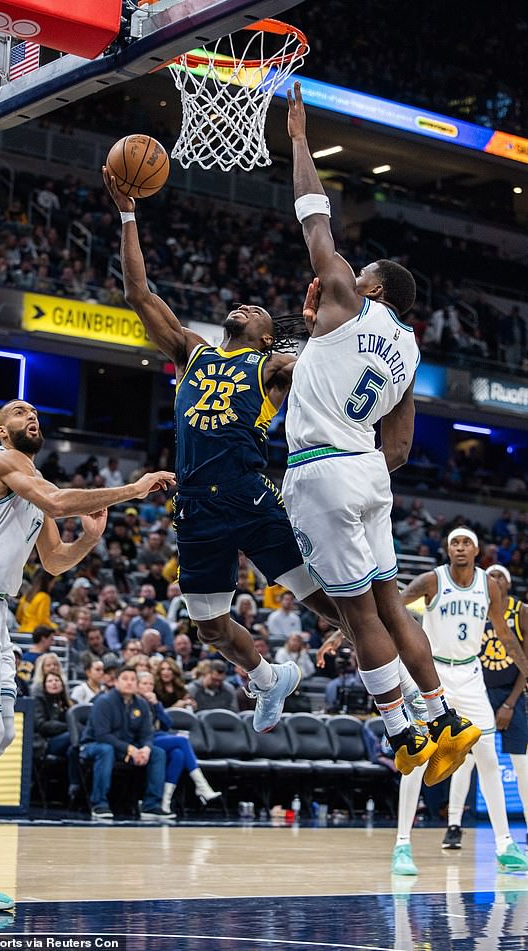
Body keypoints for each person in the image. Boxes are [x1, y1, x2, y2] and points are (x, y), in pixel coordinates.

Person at [0, 397, 174, 908]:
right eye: (21, 413)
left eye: (36, 414)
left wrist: (89, 540)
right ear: (3, 432)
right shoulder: (2, 464)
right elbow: (57, 502)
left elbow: (54, 561)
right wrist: (135, 488)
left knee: (1, 730)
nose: (32, 418)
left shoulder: (34, 488)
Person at [106, 170, 351, 735]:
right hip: (196, 503)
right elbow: (137, 294)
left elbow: (325, 360)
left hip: (247, 491)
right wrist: (127, 213)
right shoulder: (192, 352)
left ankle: (388, 664)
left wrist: (316, 329)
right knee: (209, 626)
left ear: (267, 336)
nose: (245, 305)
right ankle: (269, 679)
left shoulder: (272, 366)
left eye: (256, 308)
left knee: (315, 597)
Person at [282, 82, 481, 776]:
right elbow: (398, 447)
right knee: (392, 606)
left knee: (355, 615)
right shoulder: (412, 351)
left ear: (373, 288)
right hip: (370, 473)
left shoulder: (343, 296)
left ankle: (402, 733)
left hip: (323, 468)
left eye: (359, 274)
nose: (349, 273)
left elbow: (314, 218)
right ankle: (445, 717)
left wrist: (301, 139)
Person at [391, 529, 528, 876]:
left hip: (470, 676)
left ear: (477, 550)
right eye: (455, 542)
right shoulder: (431, 580)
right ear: (447, 549)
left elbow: (506, 636)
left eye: (466, 542)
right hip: (432, 674)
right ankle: (402, 845)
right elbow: (390, 609)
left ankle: (505, 845)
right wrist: (340, 631)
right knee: (418, 757)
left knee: (488, 760)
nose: (460, 547)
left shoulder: (489, 585)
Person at [442, 563, 528, 850]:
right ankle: (454, 826)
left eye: (499, 576)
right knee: (464, 763)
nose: (494, 580)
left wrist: (510, 703)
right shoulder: (472, 607)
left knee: (522, 765)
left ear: (507, 584)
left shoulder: (520, 611)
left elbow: (525, 662)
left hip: (512, 696)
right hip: (476, 692)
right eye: (490, 576)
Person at [80, 665, 174, 820]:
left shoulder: (142, 704)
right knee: (106, 749)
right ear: (116, 682)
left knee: (158, 753)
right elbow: (102, 735)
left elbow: (147, 734)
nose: (129, 683)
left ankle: (151, 805)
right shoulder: (104, 701)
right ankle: (99, 803)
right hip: (93, 745)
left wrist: (145, 749)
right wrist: (130, 749)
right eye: (125, 679)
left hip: (126, 748)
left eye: (133, 680)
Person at [136, 671, 220, 813]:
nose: (148, 687)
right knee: (182, 740)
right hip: (141, 742)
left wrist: (157, 704)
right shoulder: (134, 702)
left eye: (151, 684)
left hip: (155, 737)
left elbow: (167, 724)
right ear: (137, 686)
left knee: (178, 754)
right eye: (144, 684)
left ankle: (165, 802)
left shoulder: (153, 702)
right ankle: (202, 786)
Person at [33, 670, 79, 799]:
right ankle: (75, 785)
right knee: (74, 737)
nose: (54, 683)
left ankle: (74, 787)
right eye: (50, 681)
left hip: (67, 742)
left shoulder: (70, 702)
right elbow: (42, 726)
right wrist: (69, 728)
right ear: (44, 685)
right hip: (45, 743)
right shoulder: (39, 700)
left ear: (62, 684)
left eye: (57, 680)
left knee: (73, 749)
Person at [16, 568, 57, 632]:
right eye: (53, 582)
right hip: (35, 634)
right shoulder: (44, 597)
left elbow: (19, 617)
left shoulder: (26, 596)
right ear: (48, 582)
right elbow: (43, 620)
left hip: (21, 631)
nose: (53, 585)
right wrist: (56, 627)